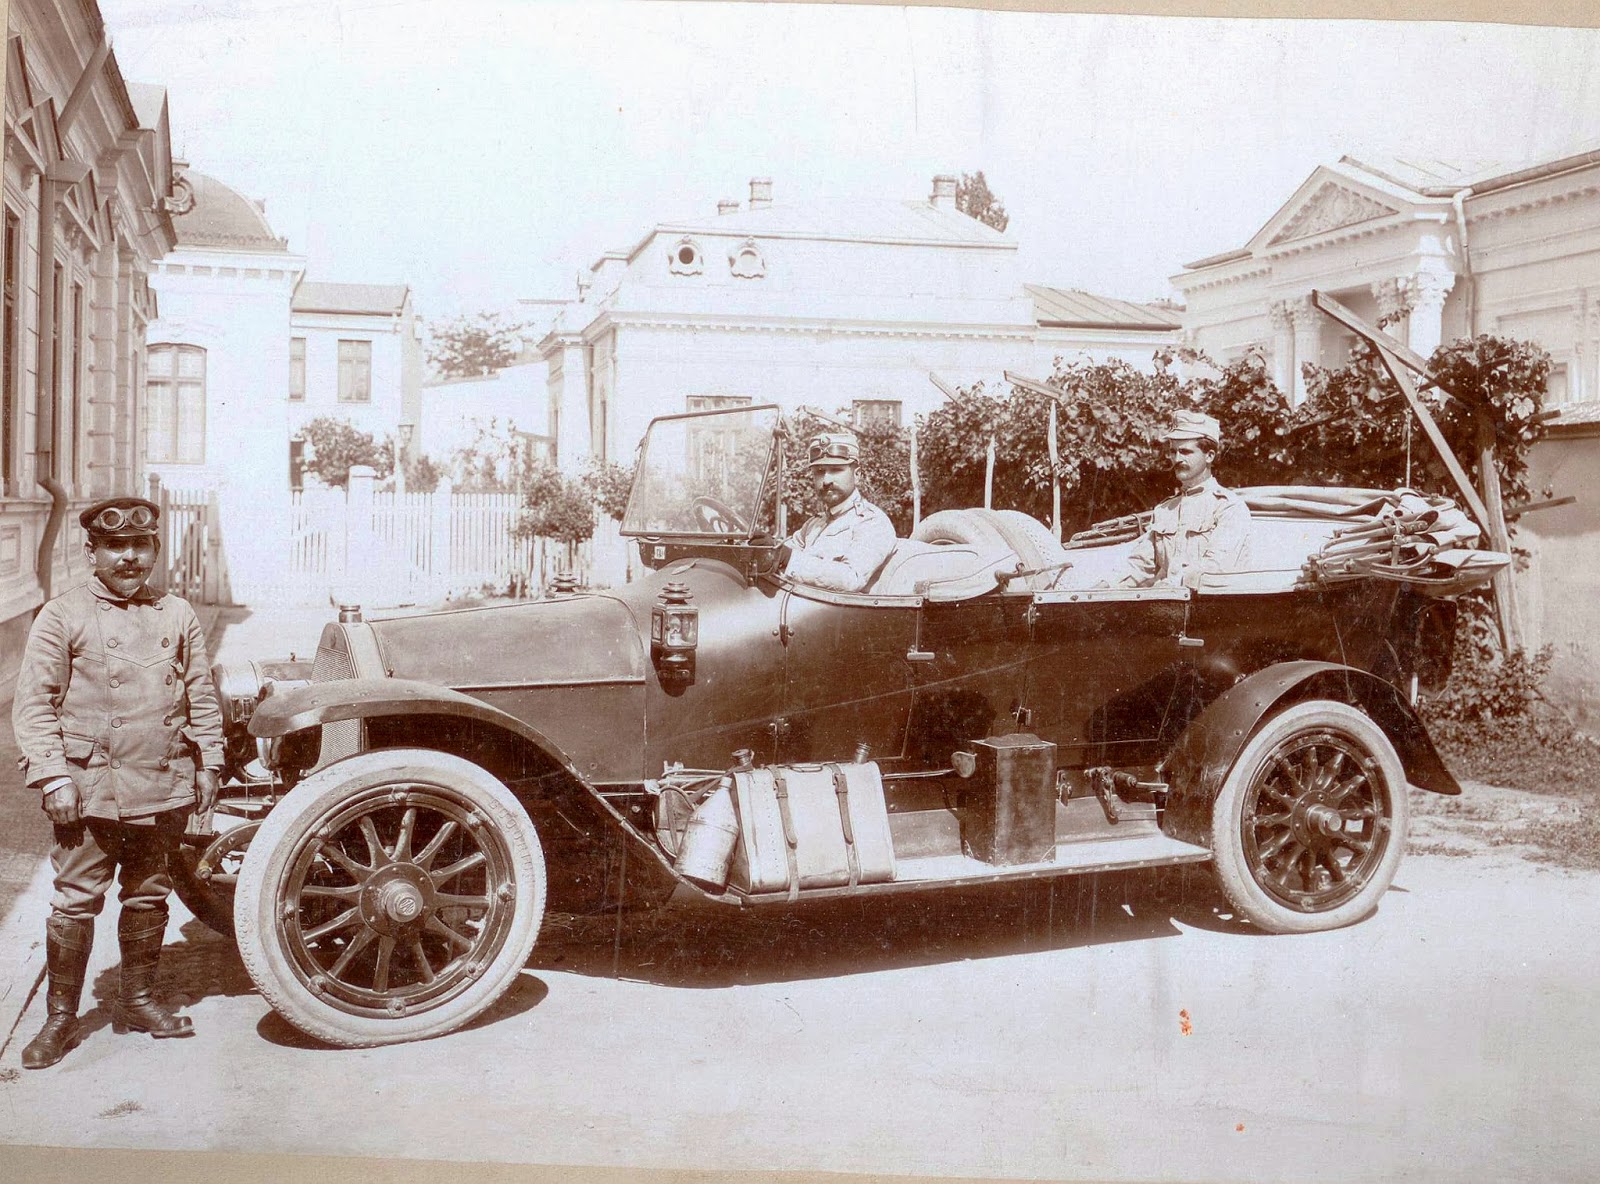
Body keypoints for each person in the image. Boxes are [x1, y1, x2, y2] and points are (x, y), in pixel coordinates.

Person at [12, 496, 225, 1069]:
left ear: (154, 550)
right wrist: (54, 777)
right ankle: (60, 1019)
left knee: (150, 893)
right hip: (89, 791)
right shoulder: (62, 615)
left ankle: (137, 1000)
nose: (129, 558)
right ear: (93, 552)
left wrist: (210, 761)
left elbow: (202, 695)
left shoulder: (177, 613)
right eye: (115, 547)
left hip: (164, 783)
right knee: (77, 901)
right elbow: (34, 706)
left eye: (141, 546)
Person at [1114, 411, 1251, 589]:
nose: (1177, 459)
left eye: (1185, 452)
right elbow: (1141, 563)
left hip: (1211, 609)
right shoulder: (1164, 510)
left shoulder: (1228, 507)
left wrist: (1169, 584)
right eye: (1173, 452)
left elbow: (1215, 566)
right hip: (1168, 604)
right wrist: (1108, 585)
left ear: (1209, 456)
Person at [770, 431, 896, 593]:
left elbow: (851, 578)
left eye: (836, 470)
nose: (826, 480)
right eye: (819, 472)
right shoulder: (814, 525)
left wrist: (788, 558)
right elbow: (785, 551)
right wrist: (767, 548)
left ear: (857, 475)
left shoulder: (872, 522)